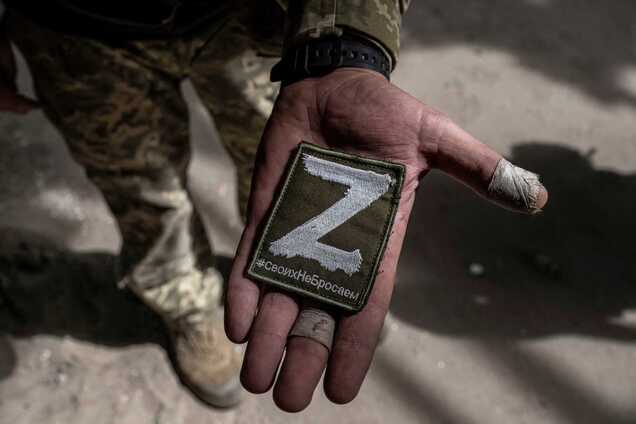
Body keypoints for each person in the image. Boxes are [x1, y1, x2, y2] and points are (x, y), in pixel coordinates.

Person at [0, 0, 548, 413]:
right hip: (70, 30)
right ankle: (186, 304)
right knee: (139, 188)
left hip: (252, 18)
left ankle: (314, 280)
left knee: (280, 171)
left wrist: (345, 42)